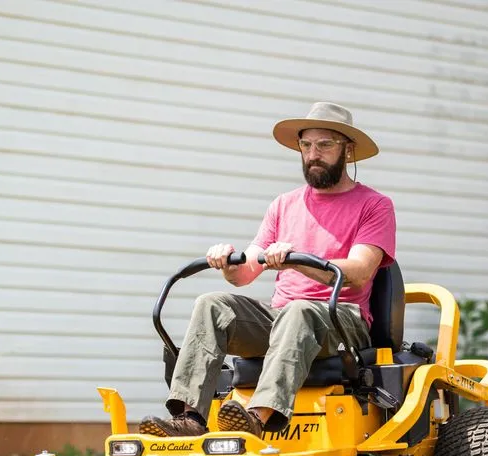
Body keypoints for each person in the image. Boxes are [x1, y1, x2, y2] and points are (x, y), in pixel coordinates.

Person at [140, 102, 396, 438]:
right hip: (283, 318)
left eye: (324, 145)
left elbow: (360, 272)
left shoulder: (374, 205)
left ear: (348, 151)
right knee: (212, 304)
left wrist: (296, 261)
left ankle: (258, 419)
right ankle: (189, 420)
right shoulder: (283, 205)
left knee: (299, 310)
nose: (313, 154)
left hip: (341, 319)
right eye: (306, 145)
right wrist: (226, 261)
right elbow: (246, 273)